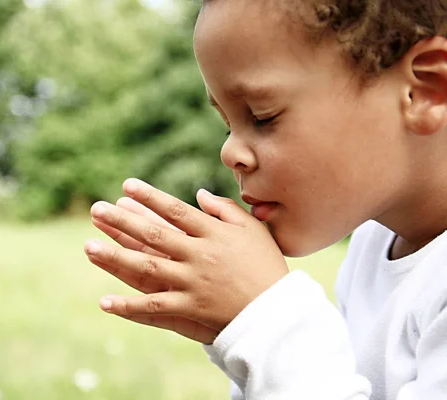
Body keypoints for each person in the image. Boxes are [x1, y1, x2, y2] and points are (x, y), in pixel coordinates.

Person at [84, 0, 447, 398]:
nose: (229, 153)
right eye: (227, 124)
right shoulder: (373, 244)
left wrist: (272, 326)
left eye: (262, 115)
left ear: (424, 90)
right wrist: (244, 340)